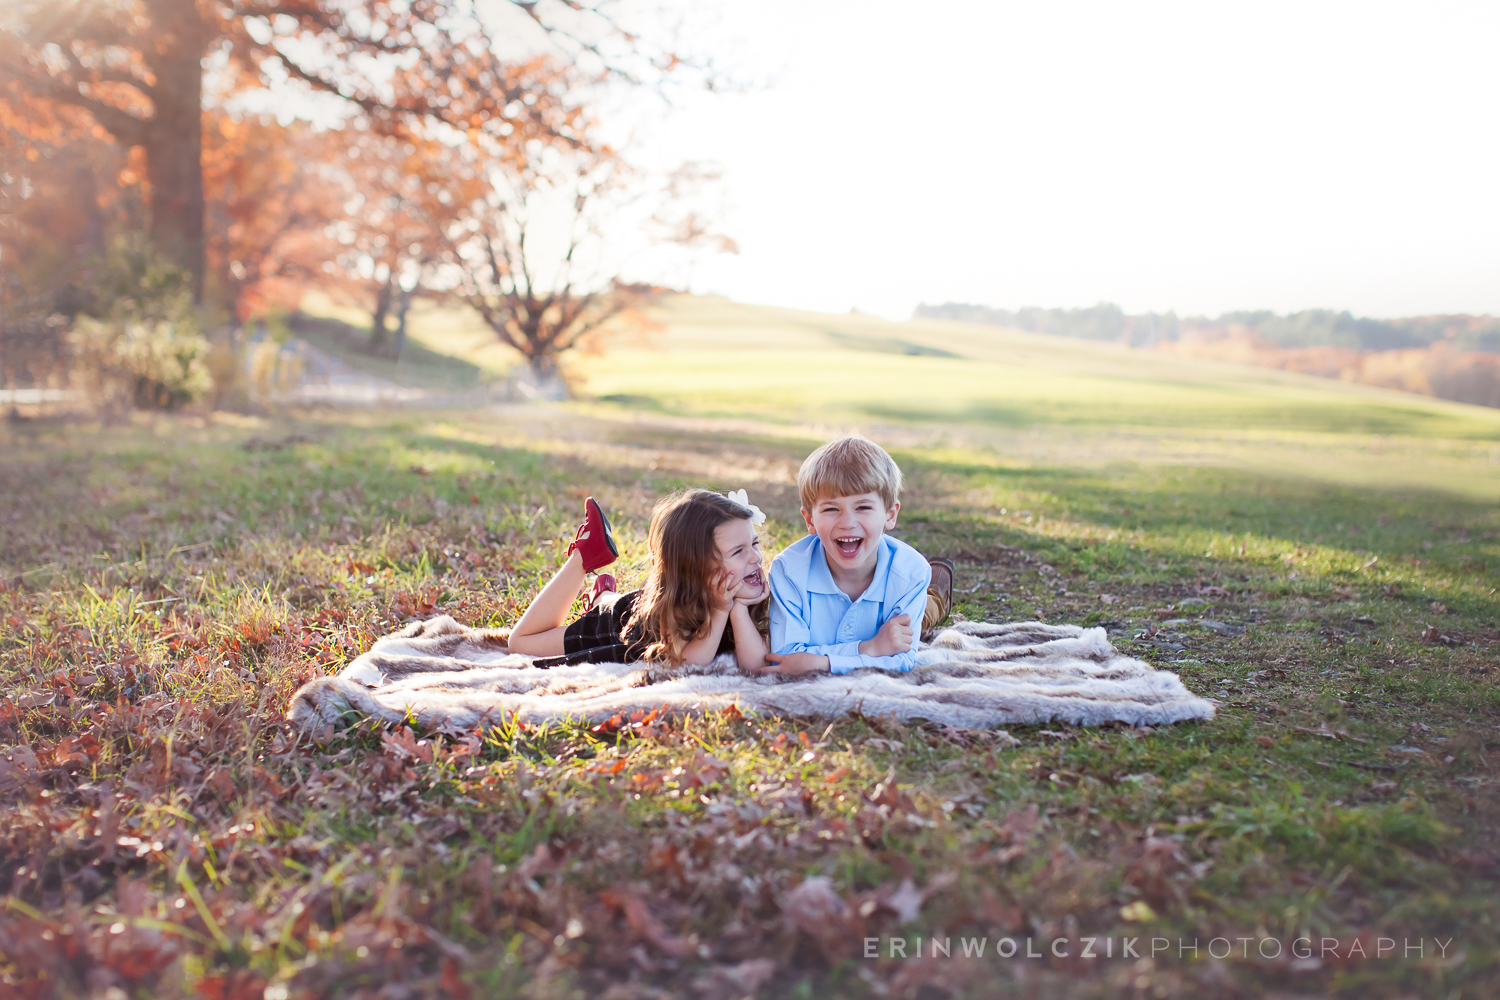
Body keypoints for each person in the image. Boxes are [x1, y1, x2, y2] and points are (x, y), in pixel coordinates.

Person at [753, 435, 953, 677]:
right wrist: (870, 648)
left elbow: (902, 660)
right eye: (831, 509)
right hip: (881, 633)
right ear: (809, 519)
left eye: (863, 507)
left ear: (890, 515)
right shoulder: (789, 570)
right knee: (901, 631)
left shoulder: (911, 573)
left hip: (904, 589)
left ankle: (938, 592)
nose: (847, 523)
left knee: (923, 617)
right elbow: (787, 659)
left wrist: (820, 662)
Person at [507, 489, 771, 669]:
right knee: (521, 643)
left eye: (755, 544)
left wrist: (738, 609)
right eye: (738, 551)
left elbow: (756, 664)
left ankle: (603, 592)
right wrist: (721, 609)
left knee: (610, 599)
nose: (755, 558)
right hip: (619, 622)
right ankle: (585, 557)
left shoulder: (756, 594)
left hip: (635, 603)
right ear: (694, 567)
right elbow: (687, 664)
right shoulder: (672, 605)